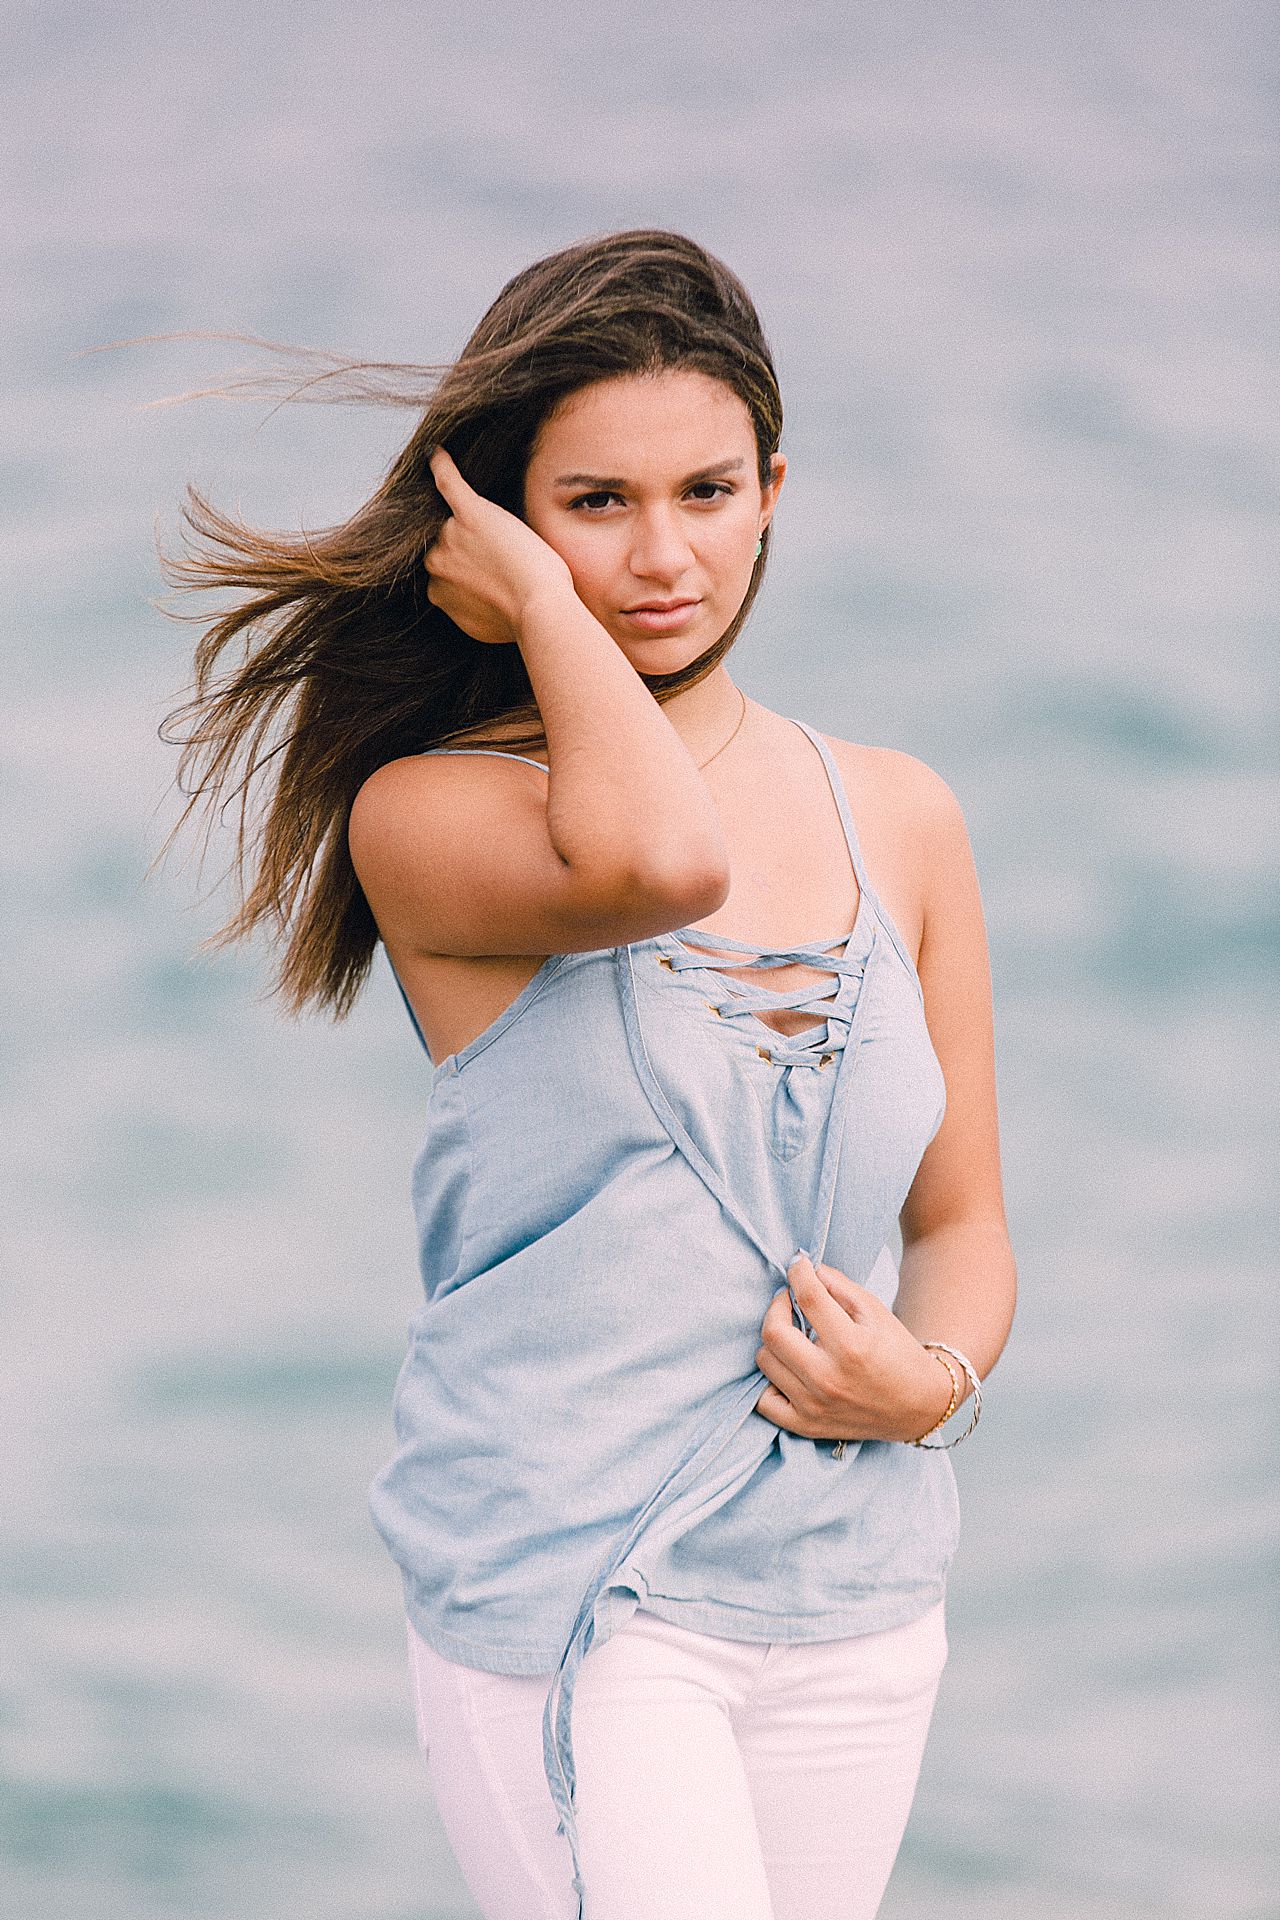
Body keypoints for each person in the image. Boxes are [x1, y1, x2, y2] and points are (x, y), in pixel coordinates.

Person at [162, 229, 1017, 1920]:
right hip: (580, 1596)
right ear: (495, 529)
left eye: (707, 492)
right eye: (595, 506)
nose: (664, 557)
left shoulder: (901, 817)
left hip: (853, 1603)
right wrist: (549, 622)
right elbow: (658, 865)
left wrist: (936, 1384)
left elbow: (968, 1220)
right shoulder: (430, 814)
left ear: (776, 488)